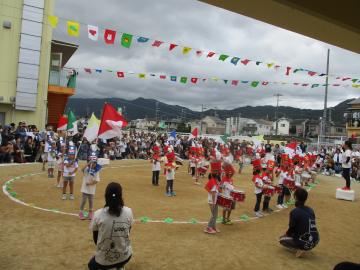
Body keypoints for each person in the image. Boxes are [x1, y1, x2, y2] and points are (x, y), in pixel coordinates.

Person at [89, 182, 133, 270]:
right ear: (120, 196)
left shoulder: (98, 214)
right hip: (125, 256)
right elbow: (127, 232)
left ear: (106, 196)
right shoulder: (128, 212)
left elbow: (96, 239)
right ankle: (120, 266)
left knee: (91, 265)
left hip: (103, 262)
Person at [279, 187, 319, 258]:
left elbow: (292, 228)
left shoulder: (294, 211)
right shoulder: (310, 210)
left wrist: (286, 234)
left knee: (281, 239)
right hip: (315, 240)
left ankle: (300, 248)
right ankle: (304, 246)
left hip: (304, 242)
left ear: (295, 197)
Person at [79, 154, 102, 220]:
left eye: (94, 163)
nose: (93, 164)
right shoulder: (86, 169)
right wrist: (89, 163)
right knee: (84, 200)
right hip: (85, 188)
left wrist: (90, 183)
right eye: (92, 163)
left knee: (91, 201)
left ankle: (90, 213)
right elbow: (81, 169)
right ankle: (81, 212)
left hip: (91, 189)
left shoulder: (96, 171)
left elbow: (96, 181)